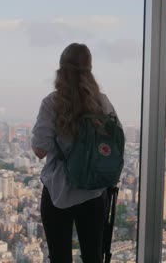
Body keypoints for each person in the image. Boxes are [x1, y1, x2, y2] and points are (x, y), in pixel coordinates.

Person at [31, 43, 120, 263]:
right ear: (89, 68)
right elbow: (116, 143)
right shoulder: (102, 101)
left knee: (60, 257)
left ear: (61, 69)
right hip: (95, 192)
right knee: (92, 256)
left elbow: (40, 150)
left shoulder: (52, 103)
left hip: (59, 192)